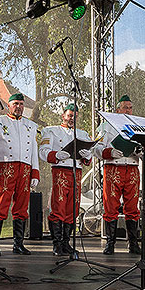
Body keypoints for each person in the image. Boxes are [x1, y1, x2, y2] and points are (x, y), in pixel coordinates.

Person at [0, 93, 40, 255]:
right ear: (9, 105)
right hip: (6, 168)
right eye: (16, 103)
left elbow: (33, 149)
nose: (19, 107)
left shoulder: (30, 125)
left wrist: (35, 173)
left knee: (22, 207)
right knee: (1, 205)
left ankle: (18, 244)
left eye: (21, 104)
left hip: (24, 169)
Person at [38, 103, 92, 256]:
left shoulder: (82, 133)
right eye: (69, 116)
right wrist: (56, 155)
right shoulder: (51, 131)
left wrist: (87, 155)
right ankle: (56, 244)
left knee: (72, 208)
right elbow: (43, 151)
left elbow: (89, 155)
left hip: (77, 171)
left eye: (74, 117)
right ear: (63, 116)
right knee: (58, 206)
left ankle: (66, 243)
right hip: (60, 170)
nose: (71, 119)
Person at [93, 95, 143, 255]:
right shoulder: (105, 126)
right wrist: (109, 152)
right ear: (117, 109)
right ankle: (110, 243)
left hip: (132, 168)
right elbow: (96, 148)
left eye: (130, 107)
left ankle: (133, 243)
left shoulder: (138, 125)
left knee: (132, 207)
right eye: (125, 107)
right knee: (111, 206)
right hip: (113, 167)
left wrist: (141, 151)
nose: (128, 110)